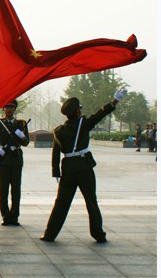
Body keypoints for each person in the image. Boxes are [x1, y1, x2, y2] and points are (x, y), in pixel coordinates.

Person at [41, 89, 128, 243]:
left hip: (67, 169)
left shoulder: (59, 131)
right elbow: (100, 114)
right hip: (84, 168)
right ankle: (98, 234)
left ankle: (50, 234)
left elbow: (55, 153)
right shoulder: (83, 124)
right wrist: (115, 101)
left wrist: (56, 172)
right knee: (91, 201)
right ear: (78, 112)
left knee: (61, 203)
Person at [0, 100, 29, 226]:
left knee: (16, 190)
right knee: (3, 190)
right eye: (7, 107)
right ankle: (5, 215)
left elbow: (26, 142)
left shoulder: (21, 124)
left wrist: (21, 135)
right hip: (4, 159)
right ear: (3, 109)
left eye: (11, 107)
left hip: (16, 159)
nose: (9, 109)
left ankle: (15, 216)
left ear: (15, 109)